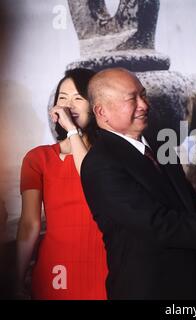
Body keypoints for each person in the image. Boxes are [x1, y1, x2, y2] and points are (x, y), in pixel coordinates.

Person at [80, 67, 196, 299]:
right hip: (149, 290)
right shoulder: (101, 164)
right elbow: (158, 224)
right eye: (132, 99)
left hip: (193, 287)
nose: (144, 105)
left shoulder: (159, 148)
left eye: (143, 95)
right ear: (102, 112)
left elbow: (192, 207)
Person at [16, 68, 108, 299]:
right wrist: (15, 278)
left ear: (96, 106)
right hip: (57, 271)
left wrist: (73, 132)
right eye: (63, 98)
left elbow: (91, 177)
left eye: (78, 98)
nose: (69, 105)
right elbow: (30, 224)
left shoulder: (110, 155)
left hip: (107, 265)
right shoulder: (38, 158)